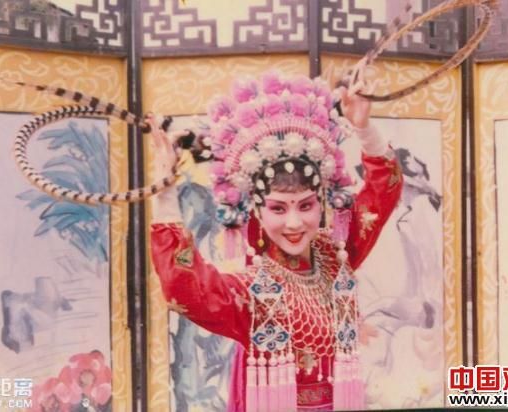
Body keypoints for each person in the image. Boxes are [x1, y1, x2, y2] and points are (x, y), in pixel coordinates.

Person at [148, 71, 403, 412]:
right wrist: (164, 194)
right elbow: (183, 286)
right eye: (278, 208)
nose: (294, 223)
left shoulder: (335, 257)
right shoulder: (252, 292)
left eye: (306, 206)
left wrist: (364, 127)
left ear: (322, 203)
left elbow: (382, 193)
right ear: (257, 210)